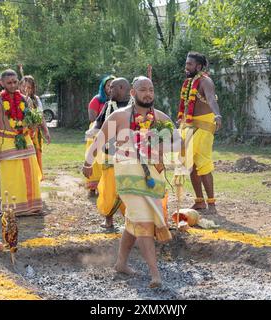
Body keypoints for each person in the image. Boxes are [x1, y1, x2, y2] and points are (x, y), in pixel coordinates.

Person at [83, 76, 174, 288]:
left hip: (152, 178)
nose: (148, 93)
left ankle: (121, 263)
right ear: (133, 93)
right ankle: (155, 274)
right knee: (143, 220)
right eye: (143, 89)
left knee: (134, 220)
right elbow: (99, 140)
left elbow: (175, 143)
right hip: (127, 176)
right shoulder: (118, 116)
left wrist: (162, 148)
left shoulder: (160, 118)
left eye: (151, 89)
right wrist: (87, 163)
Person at [0, 69, 43, 216]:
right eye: (9, 83)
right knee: (11, 176)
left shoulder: (26, 100)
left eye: (15, 82)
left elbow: (33, 122)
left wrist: (33, 124)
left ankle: (32, 207)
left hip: (25, 140)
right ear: (1, 83)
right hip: (6, 141)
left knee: (30, 172)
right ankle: (13, 208)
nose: (13, 85)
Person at [178, 52, 222, 213]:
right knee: (191, 164)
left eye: (189, 64)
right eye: (186, 63)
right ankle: (199, 201)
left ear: (199, 67)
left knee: (203, 164)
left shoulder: (206, 81)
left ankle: (211, 204)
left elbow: (211, 99)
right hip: (188, 125)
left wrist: (217, 115)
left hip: (204, 126)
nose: (186, 67)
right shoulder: (189, 82)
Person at [91, 78, 131, 229]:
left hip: (130, 154)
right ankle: (109, 219)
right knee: (109, 186)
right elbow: (98, 123)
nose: (109, 90)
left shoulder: (135, 106)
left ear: (121, 88)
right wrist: (94, 130)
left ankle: (131, 219)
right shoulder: (108, 105)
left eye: (112, 87)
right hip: (110, 152)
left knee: (131, 186)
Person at [85, 75, 116, 196]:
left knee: (107, 159)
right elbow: (92, 118)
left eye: (113, 86)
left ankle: (107, 185)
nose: (110, 88)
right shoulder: (97, 100)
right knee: (95, 159)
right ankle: (93, 187)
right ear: (104, 87)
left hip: (112, 131)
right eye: (108, 85)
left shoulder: (119, 101)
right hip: (96, 130)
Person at [19, 75, 52, 177]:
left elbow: (40, 116)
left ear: (33, 88)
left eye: (29, 87)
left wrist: (46, 132)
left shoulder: (36, 99)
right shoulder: (16, 98)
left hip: (34, 133)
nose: (26, 89)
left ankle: (35, 178)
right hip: (20, 133)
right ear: (19, 86)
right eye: (24, 86)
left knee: (35, 155)